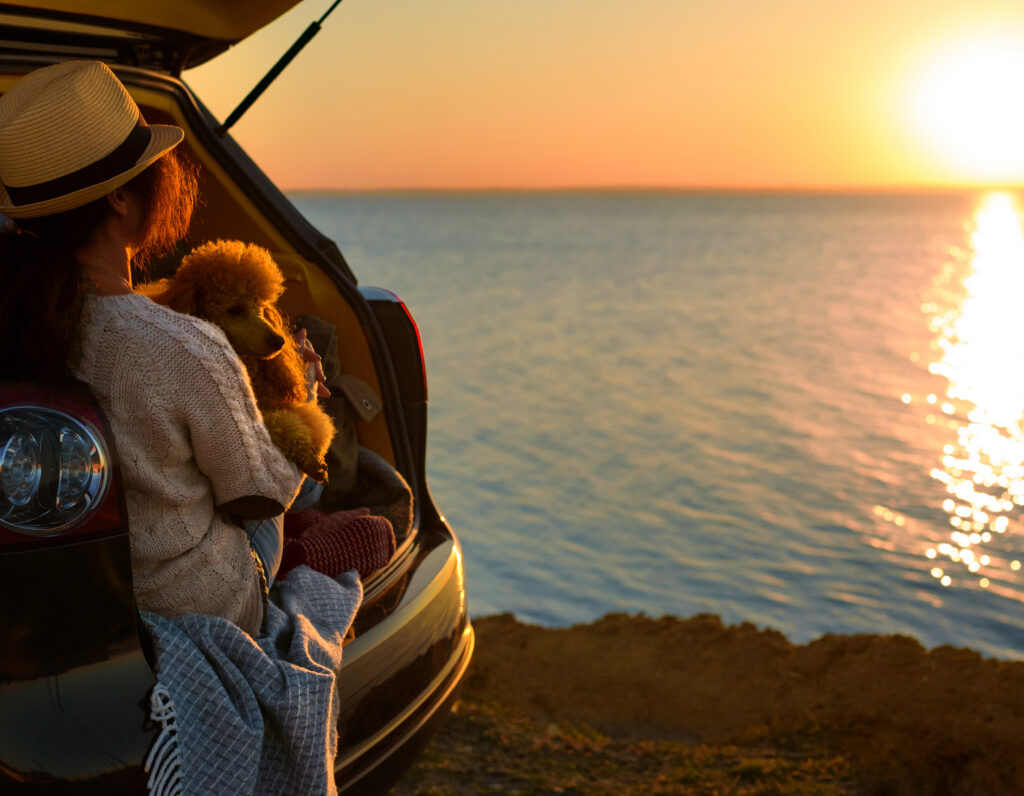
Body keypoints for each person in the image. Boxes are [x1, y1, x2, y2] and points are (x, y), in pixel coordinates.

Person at [0, 59, 322, 637]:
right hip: (184, 605)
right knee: (304, 492)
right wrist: (308, 397)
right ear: (122, 198)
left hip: (74, 600)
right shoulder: (181, 345)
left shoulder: (21, 321)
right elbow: (259, 495)